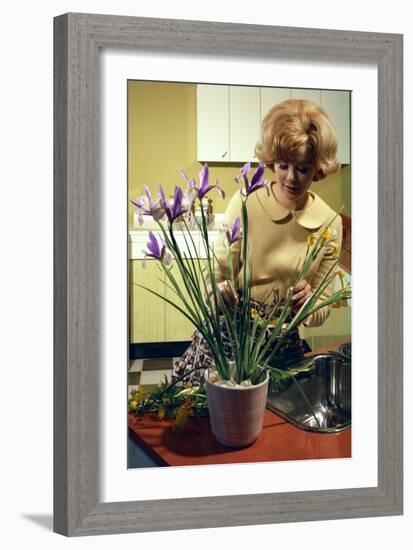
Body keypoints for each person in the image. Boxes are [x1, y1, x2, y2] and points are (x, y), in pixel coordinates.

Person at [171, 99, 343, 385]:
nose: (290, 178)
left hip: (281, 347)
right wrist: (220, 295)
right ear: (271, 160)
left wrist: (309, 302)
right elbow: (214, 276)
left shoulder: (330, 223)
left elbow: (323, 306)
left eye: (302, 168)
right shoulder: (245, 203)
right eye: (282, 165)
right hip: (228, 342)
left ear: (318, 168)